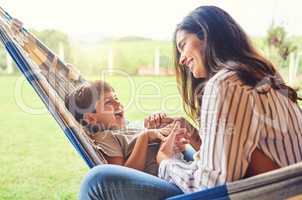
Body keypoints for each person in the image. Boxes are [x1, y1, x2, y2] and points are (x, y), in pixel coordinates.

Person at [78, 5, 302, 200]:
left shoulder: (226, 84)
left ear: (206, 34)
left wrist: (166, 161)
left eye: (183, 44)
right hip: (279, 189)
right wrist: (196, 137)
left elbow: (212, 187)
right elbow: (243, 158)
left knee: (97, 181)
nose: (182, 59)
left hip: (258, 194)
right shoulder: (259, 77)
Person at [65, 80, 194, 176]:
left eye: (116, 98)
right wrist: (145, 137)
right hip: (168, 177)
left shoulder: (127, 126)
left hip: (180, 166)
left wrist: (160, 125)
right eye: (108, 102)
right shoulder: (104, 137)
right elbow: (124, 176)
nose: (118, 103)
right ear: (91, 118)